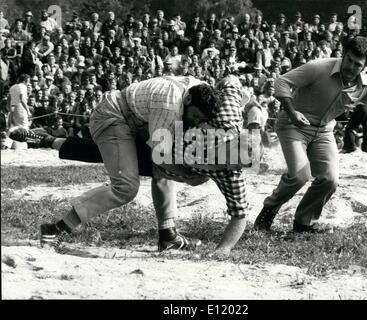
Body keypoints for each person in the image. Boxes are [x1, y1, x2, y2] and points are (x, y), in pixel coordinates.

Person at [33, 76, 256, 255]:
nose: (196, 125)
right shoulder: (175, 106)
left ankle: (167, 236)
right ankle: (56, 229)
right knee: (126, 186)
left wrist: (223, 249)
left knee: (138, 164)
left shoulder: (229, 155)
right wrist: (191, 177)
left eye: (222, 166)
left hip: (140, 120)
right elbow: (160, 158)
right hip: (114, 115)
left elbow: (240, 213)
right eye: (196, 119)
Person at [254, 36, 367, 233]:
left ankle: (303, 224)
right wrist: (292, 112)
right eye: (349, 60)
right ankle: (267, 212)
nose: (351, 67)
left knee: (330, 180)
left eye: (358, 64)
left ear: (365, 67)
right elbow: (282, 82)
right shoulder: (320, 67)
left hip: (323, 132)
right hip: (293, 125)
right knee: (299, 176)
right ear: (343, 55)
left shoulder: (366, 86)